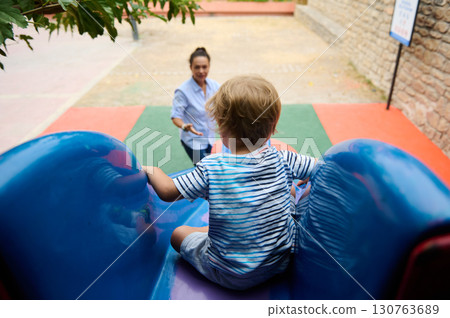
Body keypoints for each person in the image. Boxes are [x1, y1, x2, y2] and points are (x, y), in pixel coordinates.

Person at [145, 75, 317, 290]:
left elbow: (168, 191)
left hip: (228, 273)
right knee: (291, 190)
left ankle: (219, 235)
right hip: (280, 262)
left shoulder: (212, 166)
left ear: (220, 125)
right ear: (273, 125)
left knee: (179, 234)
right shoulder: (283, 157)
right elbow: (323, 168)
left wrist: (152, 169)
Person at [171, 47, 220, 165]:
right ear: (190, 67)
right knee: (204, 169)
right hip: (193, 142)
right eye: (197, 67)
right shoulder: (183, 91)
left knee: (208, 167)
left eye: (204, 67)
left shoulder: (214, 86)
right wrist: (184, 126)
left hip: (209, 138)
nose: (201, 71)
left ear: (209, 66)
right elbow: (175, 116)